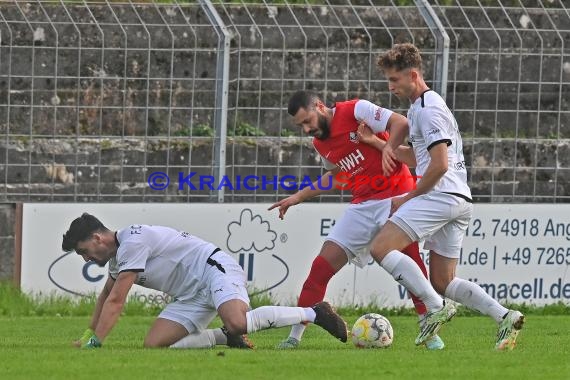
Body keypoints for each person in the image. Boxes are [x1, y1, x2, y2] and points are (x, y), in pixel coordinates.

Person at [372, 43, 524, 350]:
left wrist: (408, 197)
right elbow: (421, 159)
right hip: (458, 200)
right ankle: (505, 315)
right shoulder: (421, 107)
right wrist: (377, 144)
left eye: (395, 80)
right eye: (388, 80)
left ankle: (435, 307)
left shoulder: (428, 111)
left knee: (380, 247)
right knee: (443, 281)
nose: (391, 87)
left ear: (413, 75)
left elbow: (439, 165)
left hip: (440, 197)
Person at [268, 90, 445, 350]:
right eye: (301, 125)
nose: (306, 129)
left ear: (319, 106)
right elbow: (336, 176)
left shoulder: (356, 110)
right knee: (320, 268)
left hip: (396, 194)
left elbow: (400, 123)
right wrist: (298, 197)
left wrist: (387, 149)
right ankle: (294, 337)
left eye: (307, 121)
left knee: (411, 261)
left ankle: (429, 331)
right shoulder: (320, 143)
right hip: (362, 204)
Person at [62, 213, 348, 349]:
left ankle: (316, 312)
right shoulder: (116, 258)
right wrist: (89, 334)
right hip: (191, 296)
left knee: (238, 319)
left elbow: (116, 300)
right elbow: (105, 297)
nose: (86, 258)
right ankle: (224, 337)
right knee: (155, 345)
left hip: (214, 270)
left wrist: (96, 343)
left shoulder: (132, 242)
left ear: (98, 238)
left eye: (84, 251)